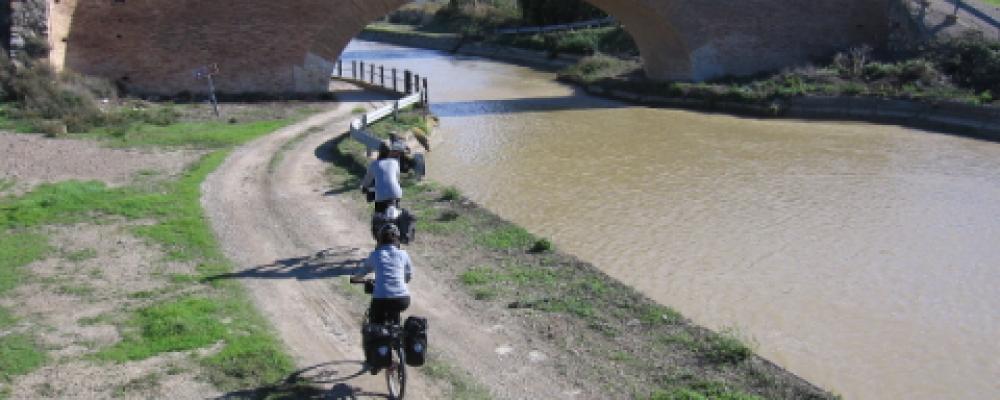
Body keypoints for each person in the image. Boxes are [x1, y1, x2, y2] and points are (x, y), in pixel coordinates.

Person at [356, 223, 413, 326]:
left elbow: (364, 271)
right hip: (402, 299)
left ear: (380, 239)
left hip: (381, 299)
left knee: (375, 325)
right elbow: (408, 276)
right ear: (397, 239)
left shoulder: (375, 254)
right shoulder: (403, 254)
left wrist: (355, 278)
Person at [361, 139, 406, 213]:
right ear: (390, 151)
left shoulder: (374, 164)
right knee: (397, 213)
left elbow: (367, 180)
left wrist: (364, 188)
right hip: (396, 194)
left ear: (379, 151)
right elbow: (397, 180)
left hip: (381, 196)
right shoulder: (395, 163)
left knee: (378, 217)